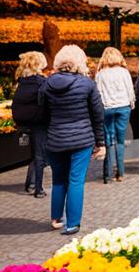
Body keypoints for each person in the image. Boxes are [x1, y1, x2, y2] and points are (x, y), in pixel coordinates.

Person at [38, 45, 105, 235]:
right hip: (81, 139)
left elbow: (42, 114)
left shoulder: (46, 85)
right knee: (76, 180)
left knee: (58, 180)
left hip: (55, 139)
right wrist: (100, 143)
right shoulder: (87, 84)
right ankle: (73, 223)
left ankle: (56, 218)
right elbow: (98, 114)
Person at [11, 51, 48, 198]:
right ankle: (38, 188)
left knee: (34, 154)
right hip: (39, 123)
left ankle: (30, 183)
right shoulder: (42, 82)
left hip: (24, 123)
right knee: (40, 156)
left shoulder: (21, 83)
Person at [94, 47, 134, 182]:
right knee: (120, 140)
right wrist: (131, 105)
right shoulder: (124, 72)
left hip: (107, 108)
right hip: (123, 107)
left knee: (108, 140)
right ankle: (121, 173)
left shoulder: (100, 74)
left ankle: (108, 173)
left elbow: (98, 93)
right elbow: (130, 90)